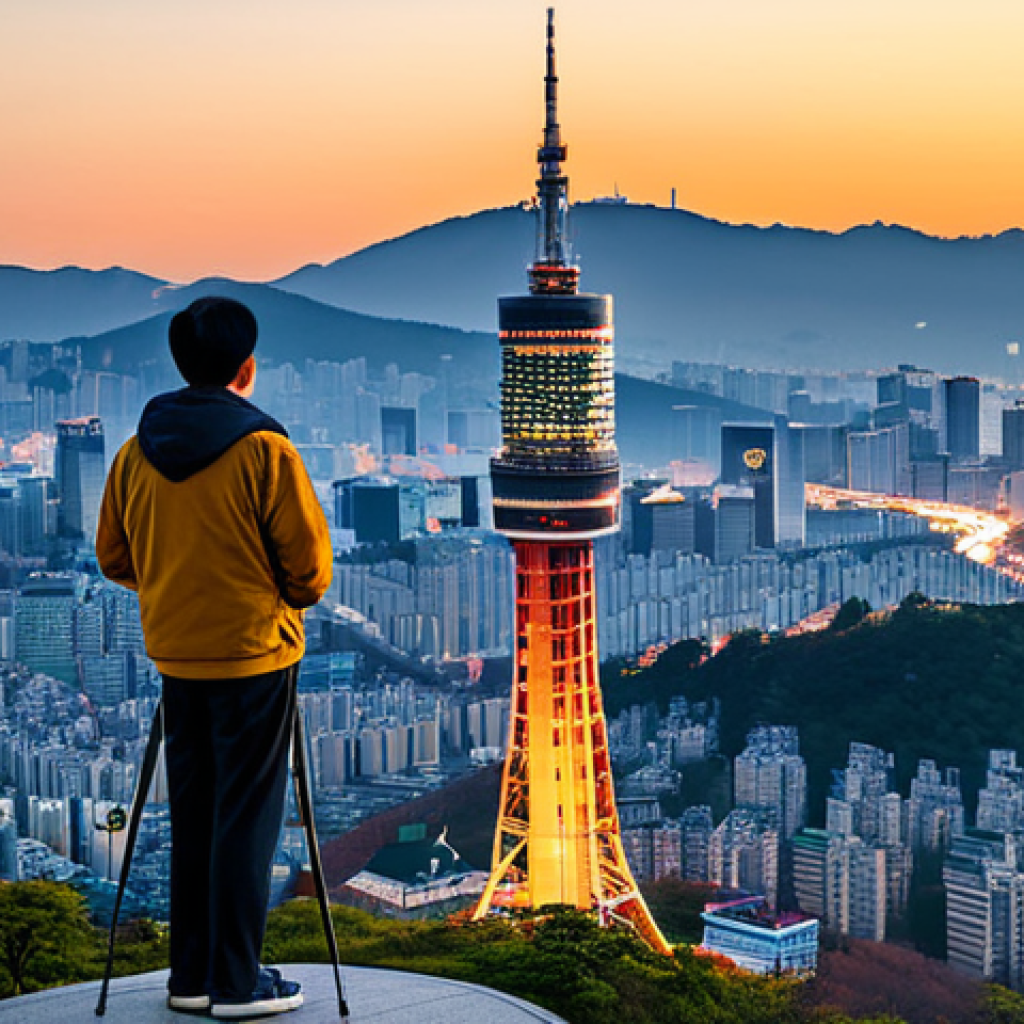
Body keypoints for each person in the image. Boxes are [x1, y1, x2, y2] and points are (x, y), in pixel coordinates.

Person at [96, 296, 333, 1018]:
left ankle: (191, 977)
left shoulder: (135, 452)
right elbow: (310, 573)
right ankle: (236, 983)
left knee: (194, 816)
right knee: (247, 821)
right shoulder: (265, 450)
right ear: (246, 368)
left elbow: (114, 557)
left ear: (180, 363)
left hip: (177, 658)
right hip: (254, 659)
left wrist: (175, 587)